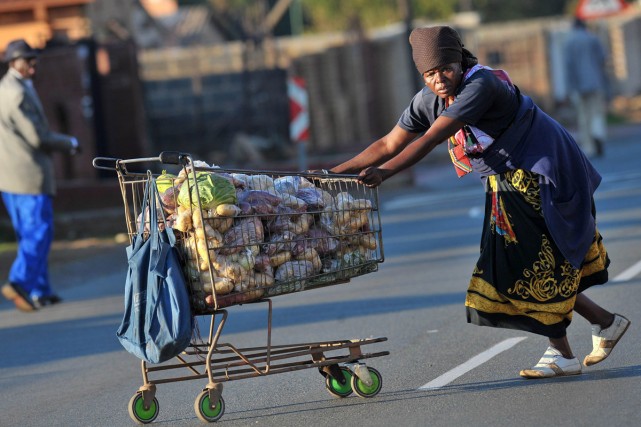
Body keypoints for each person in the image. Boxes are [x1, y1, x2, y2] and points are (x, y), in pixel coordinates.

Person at [330, 26, 630, 379]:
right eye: (429, 74)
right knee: (515, 265)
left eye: (446, 69)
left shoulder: (480, 85)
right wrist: (332, 172)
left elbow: (432, 137)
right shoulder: (428, 99)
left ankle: (568, 349)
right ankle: (597, 328)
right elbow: (388, 143)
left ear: (460, 61)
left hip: (542, 169)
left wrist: (384, 174)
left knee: (531, 263)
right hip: (503, 179)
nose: (439, 79)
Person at [0, 39, 80, 312]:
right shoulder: (17, 93)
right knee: (39, 232)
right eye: (28, 62)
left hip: (9, 176)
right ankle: (20, 281)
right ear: (14, 62)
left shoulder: (7, 88)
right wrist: (69, 143)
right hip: (27, 175)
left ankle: (40, 289)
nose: (33, 67)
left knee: (29, 233)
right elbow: (37, 137)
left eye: (34, 61)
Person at [564, 17, 609, 158]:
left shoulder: (569, 43)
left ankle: (588, 146)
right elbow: (602, 59)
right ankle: (598, 135)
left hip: (578, 85)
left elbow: (569, 66)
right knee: (596, 112)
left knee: (583, 117)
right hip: (595, 82)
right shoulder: (593, 39)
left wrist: (570, 88)